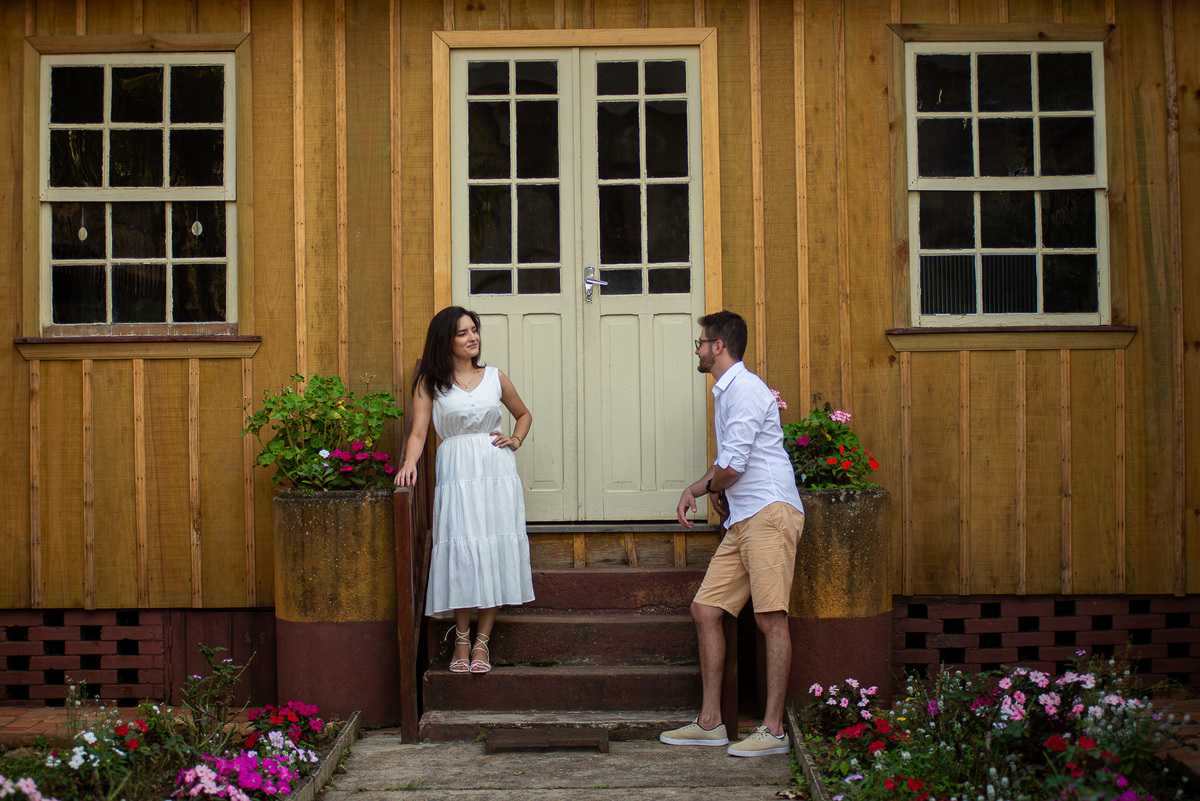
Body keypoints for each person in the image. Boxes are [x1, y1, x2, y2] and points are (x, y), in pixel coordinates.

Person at [660, 310, 805, 757]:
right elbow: (728, 463)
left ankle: (773, 731)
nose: (698, 350)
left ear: (718, 346)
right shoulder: (728, 391)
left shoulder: (743, 389)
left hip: (768, 512)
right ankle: (710, 723)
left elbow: (734, 466)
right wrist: (700, 489)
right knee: (706, 609)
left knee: (770, 618)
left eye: (701, 343)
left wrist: (709, 488)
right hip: (744, 518)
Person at [395, 306, 534, 674]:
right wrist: (410, 462)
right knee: (463, 551)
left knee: (493, 547)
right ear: (446, 340)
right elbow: (418, 432)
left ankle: (482, 642)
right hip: (457, 472)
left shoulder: (495, 377)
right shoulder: (430, 383)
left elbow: (523, 414)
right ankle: (460, 638)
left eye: (474, 330)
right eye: (463, 332)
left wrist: (516, 440)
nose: (473, 337)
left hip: (495, 471)